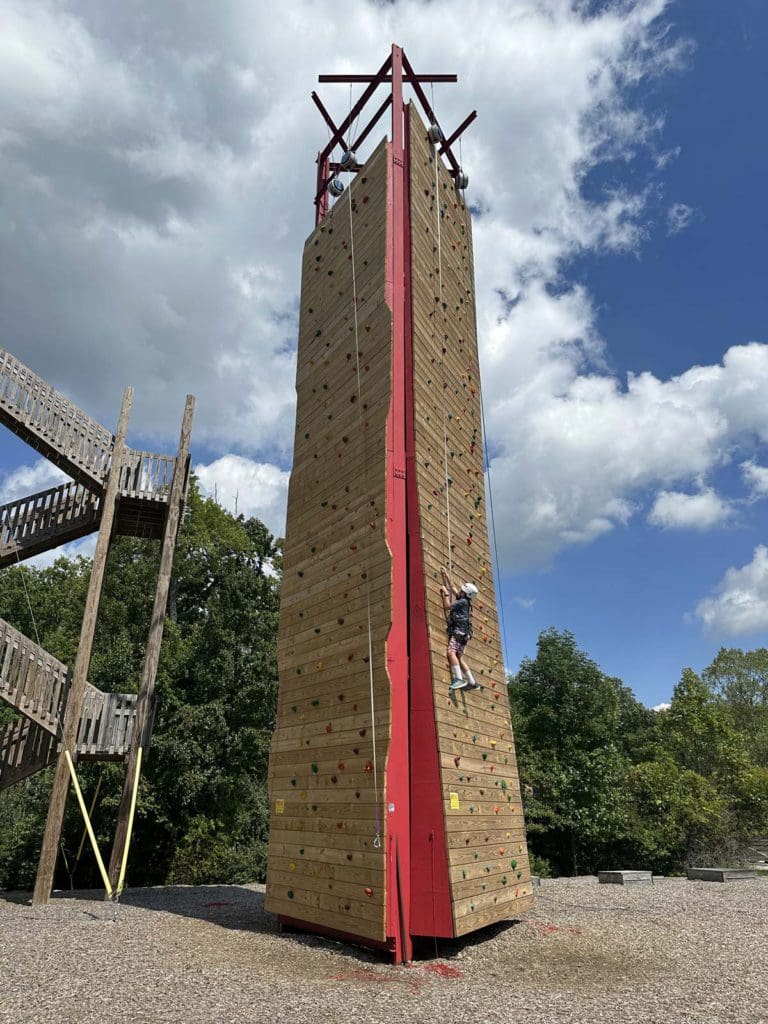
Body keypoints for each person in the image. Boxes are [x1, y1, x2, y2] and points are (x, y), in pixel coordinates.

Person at [440, 567, 480, 691]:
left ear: (465, 594)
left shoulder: (462, 602)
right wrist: (446, 575)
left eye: (462, 590)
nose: (460, 591)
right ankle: (472, 682)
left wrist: (445, 593)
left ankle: (459, 679)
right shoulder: (465, 601)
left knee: (451, 653)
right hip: (465, 634)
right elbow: (454, 587)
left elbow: (447, 606)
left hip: (459, 632)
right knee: (459, 656)